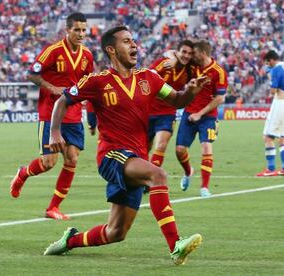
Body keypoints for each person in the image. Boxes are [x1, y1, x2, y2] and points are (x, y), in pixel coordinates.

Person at [44, 26, 208, 265]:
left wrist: (191, 92)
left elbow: (177, 99)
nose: (134, 46)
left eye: (134, 41)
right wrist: (55, 131)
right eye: (126, 42)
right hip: (112, 156)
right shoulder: (98, 81)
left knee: (115, 232)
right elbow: (63, 100)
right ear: (111, 49)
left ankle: (70, 241)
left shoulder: (149, 78)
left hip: (135, 158)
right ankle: (176, 245)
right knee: (158, 174)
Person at [9, 12, 94, 220]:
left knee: (72, 159)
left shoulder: (87, 56)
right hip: (50, 113)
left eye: (84, 30)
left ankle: (53, 208)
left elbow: (89, 83)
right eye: (77, 30)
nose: (81, 34)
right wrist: (51, 87)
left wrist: (92, 112)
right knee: (48, 163)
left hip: (73, 114)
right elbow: (31, 74)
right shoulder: (53, 51)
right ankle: (23, 173)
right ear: (67, 30)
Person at [175, 40, 228, 198]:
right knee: (179, 150)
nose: (192, 56)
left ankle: (204, 187)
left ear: (203, 53)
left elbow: (220, 98)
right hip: (188, 113)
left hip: (208, 117)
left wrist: (200, 113)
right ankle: (188, 171)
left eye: (195, 53)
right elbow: (173, 53)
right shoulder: (192, 65)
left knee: (206, 147)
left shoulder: (218, 71)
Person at [148, 40, 195, 168]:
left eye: (190, 53)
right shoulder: (165, 62)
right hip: (148, 111)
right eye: (183, 52)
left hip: (167, 113)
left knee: (161, 145)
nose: (186, 55)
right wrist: (172, 56)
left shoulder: (190, 70)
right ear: (177, 51)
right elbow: (147, 77)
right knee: (144, 149)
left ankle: (152, 180)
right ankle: (141, 178)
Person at [256, 50, 284, 177]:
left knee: (268, 137)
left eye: (268, 63)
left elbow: (273, 90)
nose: (268, 65)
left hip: (279, 103)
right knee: (283, 138)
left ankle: (271, 169)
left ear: (272, 60)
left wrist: (269, 77)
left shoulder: (276, 70)